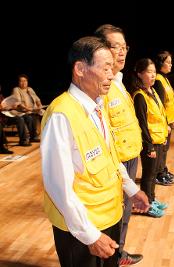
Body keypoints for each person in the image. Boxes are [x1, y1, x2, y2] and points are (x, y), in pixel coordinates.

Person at [41, 36, 150, 267]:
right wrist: (90, 235)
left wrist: (130, 188)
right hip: (81, 230)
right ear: (80, 69)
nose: (112, 74)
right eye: (105, 68)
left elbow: (110, 157)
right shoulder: (62, 115)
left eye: (112, 68)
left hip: (109, 217)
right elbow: (58, 186)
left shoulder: (97, 106)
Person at [94, 24, 144, 266]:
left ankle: (118, 253)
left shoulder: (119, 81)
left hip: (129, 155)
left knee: (124, 213)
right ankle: (113, 255)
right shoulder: (100, 86)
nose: (122, 52)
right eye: (116, 47)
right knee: (115, 214)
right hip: (116, 163)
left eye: (125, 47)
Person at [132, 58, 169, 218]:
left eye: (154, 72)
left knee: (153, 174)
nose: (153, 75)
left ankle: (152, 199)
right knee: (148, 176)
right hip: (150, 143)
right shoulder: (140, 96)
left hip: (159, 139)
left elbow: (159, 114)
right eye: (149, 72)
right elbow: (142, 124)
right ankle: (146, 206)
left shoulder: (152, 91)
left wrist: (165, 133)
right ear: (140, 74)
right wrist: (149, 146)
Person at [153, 51, 174, 186]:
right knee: (162, 149)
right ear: (160, 63)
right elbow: (160, 105)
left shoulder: (164, 78)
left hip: (169, 121)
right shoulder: (158, 80)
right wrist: (165, 124)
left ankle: (163, 170)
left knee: (165, 149)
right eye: (167, 62)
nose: (170, 65)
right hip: (164, 123)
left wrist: (173, 119)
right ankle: (159, 174)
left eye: (171, 62)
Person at [11, 74, 42, 146]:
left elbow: (37, 99)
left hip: (30, 110)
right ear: (18, 82)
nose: (23, 82)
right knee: (27, 118)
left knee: (42, 114)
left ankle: (34, 136)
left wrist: (39, 105)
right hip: (20, 111)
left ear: (27, 82)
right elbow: (18, 103)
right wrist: (29, 109)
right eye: (21, 81)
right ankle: (23, 140)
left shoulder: (30, 89)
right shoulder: (16, 89)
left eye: (25, 81)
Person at [0, 85, 13, 154]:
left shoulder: (1, 96)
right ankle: (2, 146)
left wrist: (11, 106)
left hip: (4, 117)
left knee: (20, 119)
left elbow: (5, 106)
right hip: (1, 118)